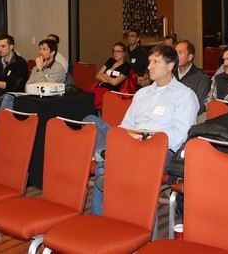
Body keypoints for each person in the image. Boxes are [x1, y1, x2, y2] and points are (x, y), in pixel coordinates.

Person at [86, 44, 199, 215]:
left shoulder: (184, 95)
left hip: (160, 150)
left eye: (155, 62)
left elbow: (179, 135)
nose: (149, 67)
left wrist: (145, 137)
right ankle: (108, 153)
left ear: (170, 66)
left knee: (105, 168)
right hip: (130, 143)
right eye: (149, 61)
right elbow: (126, 125)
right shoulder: (142, 94)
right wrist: (127, 137)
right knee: (91, 121)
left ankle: (106, 158)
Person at [90, 42, 131, 108]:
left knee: (88, 103)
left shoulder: (126, 66)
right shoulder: (111, 61)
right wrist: (110, 80)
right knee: (84, 98)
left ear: (124, 53)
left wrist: (104, 75)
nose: (115, 53)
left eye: (118, 51)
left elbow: (115, 83)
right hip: (99, 87)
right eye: (114, 51)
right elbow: (98, 75)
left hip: (110, 92)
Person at [174, 40, 210, 116]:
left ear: (190, 57)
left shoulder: (201, 77)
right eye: (175, 52)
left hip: (188, 117)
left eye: (180, 53)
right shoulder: (170, 74)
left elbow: (200, 106)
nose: (176, 56)